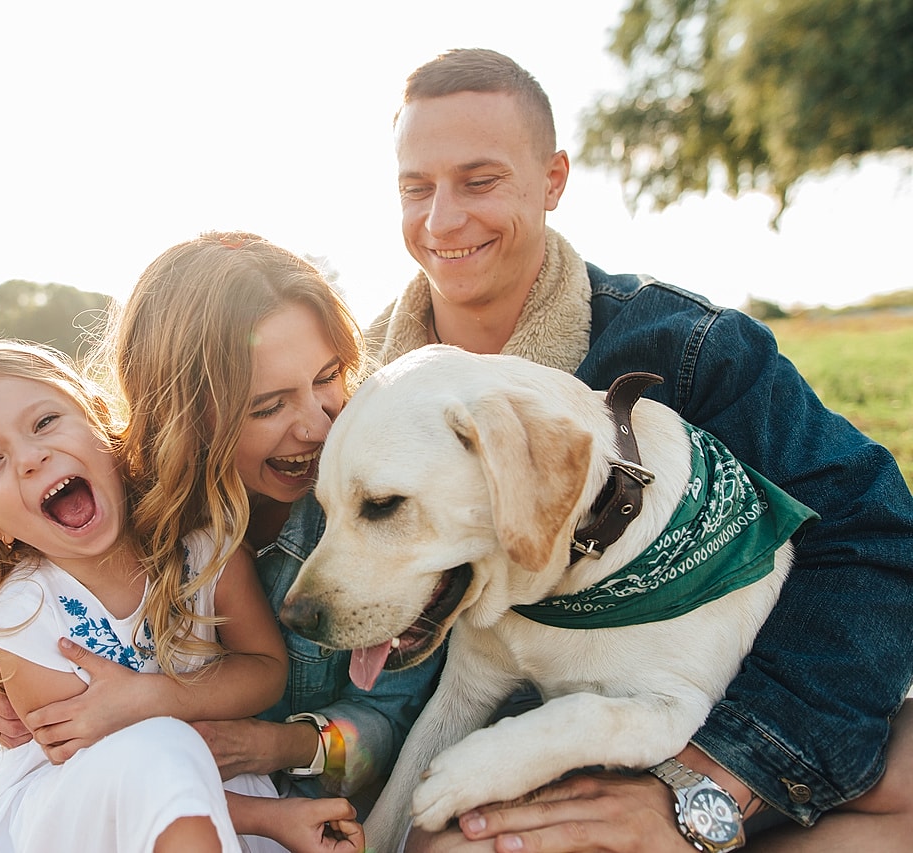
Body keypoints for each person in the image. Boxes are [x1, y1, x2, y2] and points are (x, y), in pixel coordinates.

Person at [368, 48, 913, 852]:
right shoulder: (358, 407)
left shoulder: (690, 350)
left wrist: (716, 775)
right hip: (509, 748)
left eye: (480, 181)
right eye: (417, 187)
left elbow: (874, 531)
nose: (443, 219)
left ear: (553, 179)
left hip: (730, 704)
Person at [0, 233, 445, 819]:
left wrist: (279, 746)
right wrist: (9, 681)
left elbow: (396, 723)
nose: (320, 426)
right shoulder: (117, 515)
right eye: (268, 406)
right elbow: (36, 592)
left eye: (329, 376)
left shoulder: (385, 508)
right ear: (186, 418)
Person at [0, 338, 364, 853]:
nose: (31, 458)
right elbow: (103, 767)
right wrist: (268, 817)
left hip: (218, 786)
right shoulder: (25, 615)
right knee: (161, 747)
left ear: (101, 423)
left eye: (44, 423)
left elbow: (265, 669)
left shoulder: (203, 549)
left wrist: (156, 698)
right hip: (77, 815)